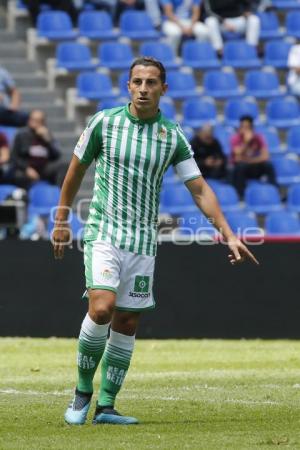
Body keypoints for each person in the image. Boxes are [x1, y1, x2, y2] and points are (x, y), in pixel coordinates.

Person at [52, 56, 258, 426]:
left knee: (127, 321)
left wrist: (228, 234)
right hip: (104, 232)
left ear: (164, 88)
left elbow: (199, 189)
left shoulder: (172, 136)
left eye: (151, 83)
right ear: (127, 85)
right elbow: (75, 170)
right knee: (101, 308)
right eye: (137, 82)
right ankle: (82, 393)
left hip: (143, 240)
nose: (143, 89)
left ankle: (107, 407)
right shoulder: (105, 122)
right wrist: (62, 218)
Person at [11, 109, 66, 189]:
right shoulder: (21, 135)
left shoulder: (46, 135)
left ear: (43, 123)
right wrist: (26, 168)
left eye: (38, 121)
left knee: (63, 165)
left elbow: (57, 155)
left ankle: (59, 194)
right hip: (27, 168)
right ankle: (24, 197)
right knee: (18, 175)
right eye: (32, 119)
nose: (34, 122)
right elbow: (13, 157)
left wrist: (47, 140)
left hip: (44, 168)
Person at [231, 115, 277, 197]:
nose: (244, 129)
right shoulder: (235, 138)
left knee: (269, 165)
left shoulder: (258, 137)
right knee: (240, 167)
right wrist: (246, 142)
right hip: (243, 168)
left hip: (255, 165)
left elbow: (266, 156)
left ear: (252, 128)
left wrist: (250, 160)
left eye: (247, 127)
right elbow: (237, 157)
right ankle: (240, 196)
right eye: (242, 127)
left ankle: (275, 192)